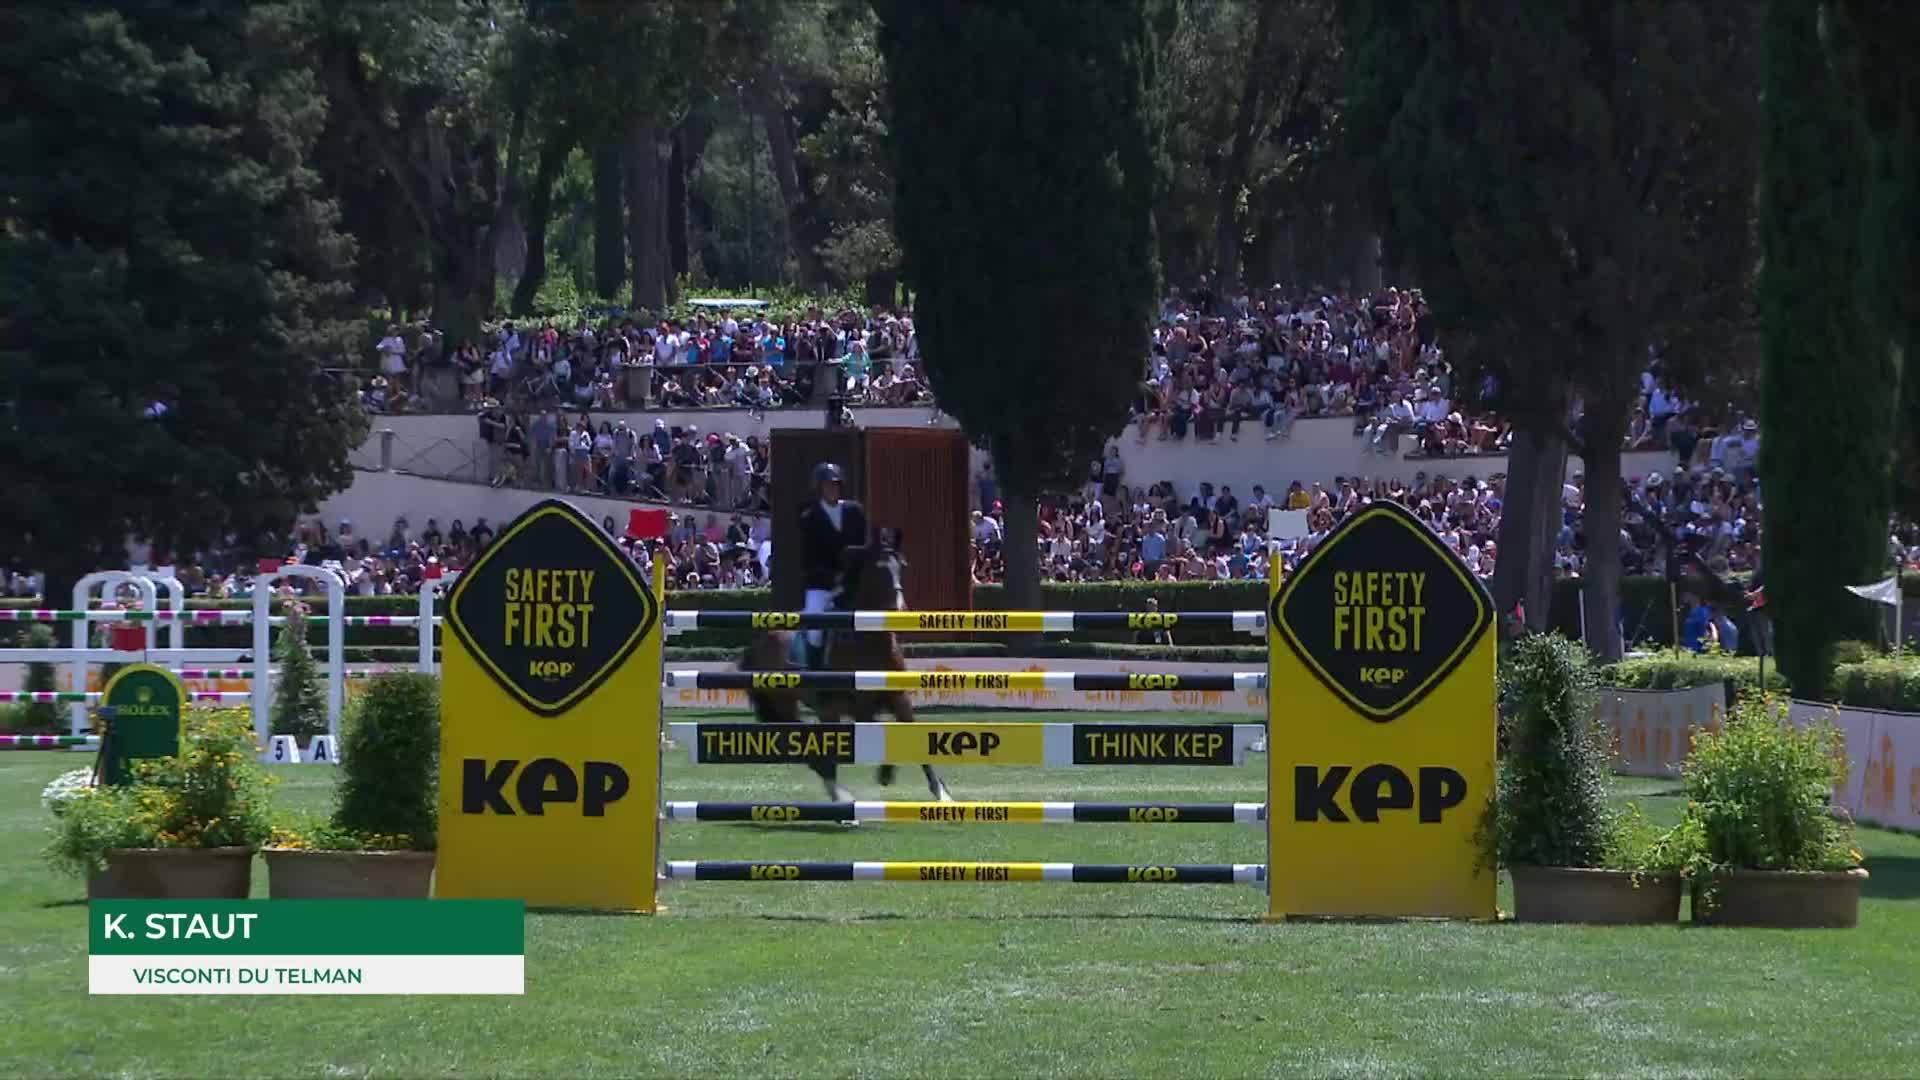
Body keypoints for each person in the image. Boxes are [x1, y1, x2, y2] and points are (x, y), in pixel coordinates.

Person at [798, 462, 867, 667]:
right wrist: (832, 578)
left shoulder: (855, 511)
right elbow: (809, 557)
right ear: (819, 488)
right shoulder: (810, 516)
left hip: (851, 585)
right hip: (821, 586)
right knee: (814, 630)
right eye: (827, 485)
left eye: (835, 485)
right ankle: (814, 674)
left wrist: (851, 577)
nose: (832, 489)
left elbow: (862, 547)